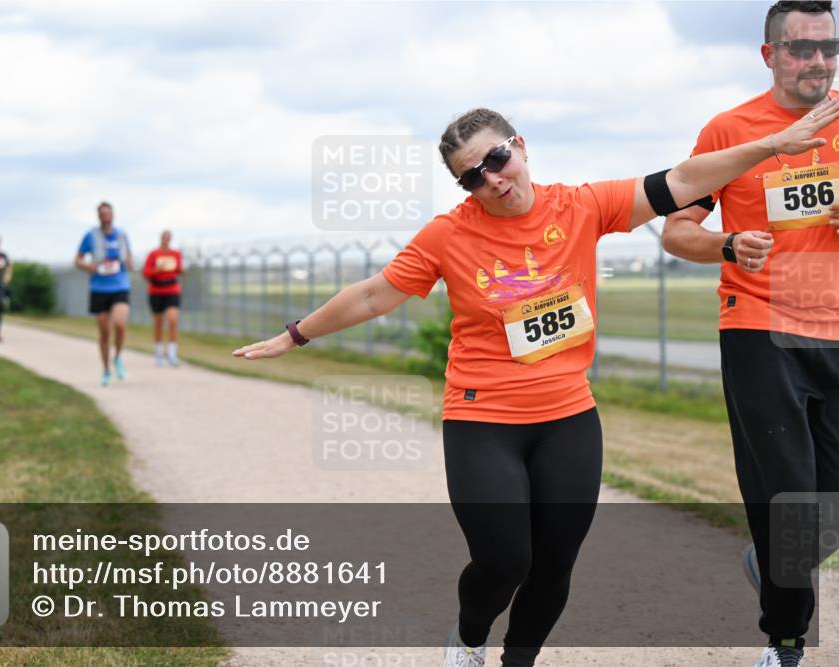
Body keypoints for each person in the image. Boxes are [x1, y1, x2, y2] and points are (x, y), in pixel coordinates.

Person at [232, 103, 838, 666]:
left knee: (553, 566)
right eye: (472, 177)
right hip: (482, 420)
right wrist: (296, 334)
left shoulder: (581, 206)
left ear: (520, 148)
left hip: (569, 418)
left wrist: (773, 145)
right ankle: (469, 639)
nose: (492, 179)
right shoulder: (449, 235)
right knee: (504, 560)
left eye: (497, 159)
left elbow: (681, 180)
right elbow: (372, 294)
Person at [662, 3, 839, 666]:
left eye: (828, 47)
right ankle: (786, 641)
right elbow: (677, 231)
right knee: (789, 490)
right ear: (770, 56)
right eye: (800, 49)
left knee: (816, 512)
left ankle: (767, 561)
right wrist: (729, 243)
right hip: (760, 325)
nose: (817, 62)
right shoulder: (730, 130)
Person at [75, 201, 133, 386]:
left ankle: (117, 357)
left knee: (120, 323)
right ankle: (106, 369)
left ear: (113, 215)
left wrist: (130, 263)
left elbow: (129, 257)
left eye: (109, 213)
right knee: (104, 332)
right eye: (103, 214)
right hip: (99, 288)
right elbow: (77, 260)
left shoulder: (122, 235)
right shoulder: (90, 236)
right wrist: (88, 266)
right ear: (99, 216)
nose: (107, 217)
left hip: (120, 285)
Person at [142, 230, 186, 366]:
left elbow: (178, 269)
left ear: (170, 239)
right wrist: (157, 269)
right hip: (156, 291)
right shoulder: (153, 254)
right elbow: (145, 273)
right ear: (161, 238)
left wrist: (183, 270)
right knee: (158, 323)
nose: (166, 240)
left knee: (173, 320)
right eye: (164, 237)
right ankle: (158, 353)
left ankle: (172, 353)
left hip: (172, 290)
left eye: (168, 238)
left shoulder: (176, 254)